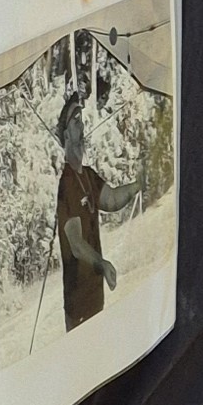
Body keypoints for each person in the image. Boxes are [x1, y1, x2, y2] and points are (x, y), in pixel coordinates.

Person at [55, 91, 118, 328]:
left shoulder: (88, 175)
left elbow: (111, 199)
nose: (82, 127)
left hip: (95, 298)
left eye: (82, 121)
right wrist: (103, 264)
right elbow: (76, 243)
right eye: (76, 122)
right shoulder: (67, 183)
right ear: (66, 135)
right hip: (78, 307)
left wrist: (137, 185)